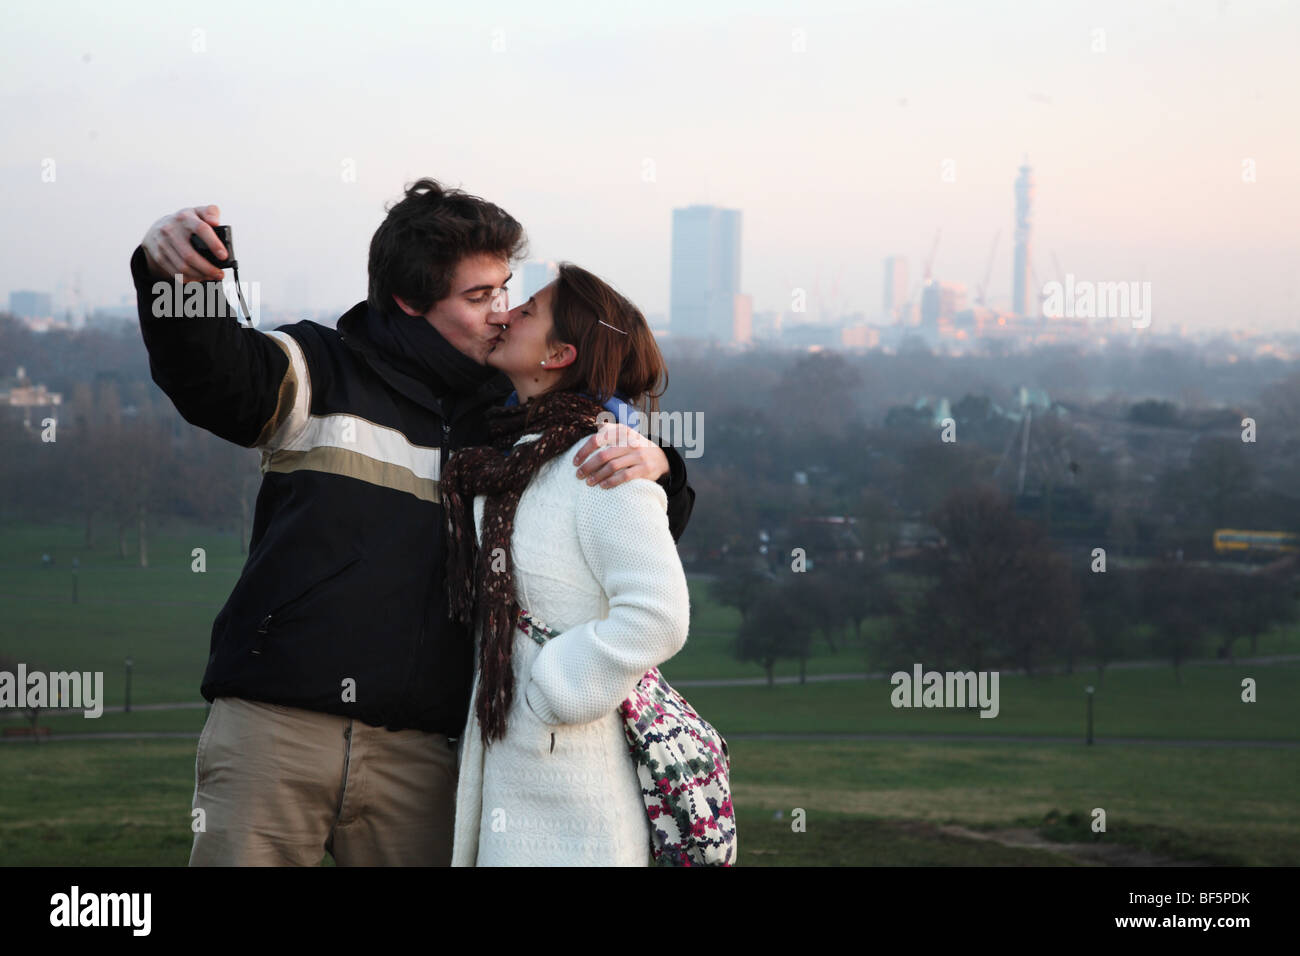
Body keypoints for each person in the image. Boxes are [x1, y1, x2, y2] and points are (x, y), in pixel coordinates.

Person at [130, 179, 695, 866]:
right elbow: (214, 377)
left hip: (431, 754)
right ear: (409, 300)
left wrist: (658, 462)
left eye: (506, 290)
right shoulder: (318, 369)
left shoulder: (512, 420)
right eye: (479, 296)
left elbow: (629, 520)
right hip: (273, 734)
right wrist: (176, 273)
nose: (502, 312)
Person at [442, 263, 691, 866]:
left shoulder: (604, 463)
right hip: (514, 772)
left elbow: (658, 617)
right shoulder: (509, 457)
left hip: (577, 790)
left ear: (558, 355)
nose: (506, 314)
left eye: (526, 310)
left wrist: (552, 692)